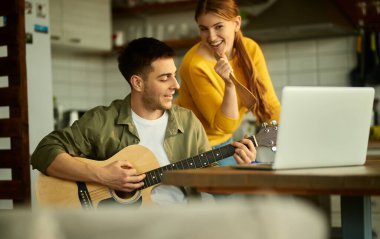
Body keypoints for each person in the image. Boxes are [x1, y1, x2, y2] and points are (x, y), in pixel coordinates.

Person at [31, 37, 256, 206]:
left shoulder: (187, 122)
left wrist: (241, 169)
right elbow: (44, 152)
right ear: (138, 83)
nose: (175, 85)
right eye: (164, 78)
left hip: (180, 228)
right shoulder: (103, 120)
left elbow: (215, 188)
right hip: (124, 233)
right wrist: (102, 175)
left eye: (174, 75)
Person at [175, 0, 281, 166]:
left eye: (218, 27)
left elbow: (270, 104)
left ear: (236, 23)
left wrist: (283, 135)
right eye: (204, 29)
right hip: (194, 150)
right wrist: (229, 84)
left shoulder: (250, 49)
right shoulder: (194, 65)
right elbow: (223, 126)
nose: (211, 37)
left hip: (226, 143)